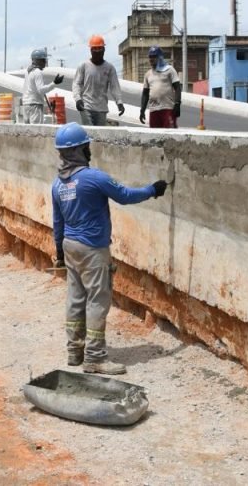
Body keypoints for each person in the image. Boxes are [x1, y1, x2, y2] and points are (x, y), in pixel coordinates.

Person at [51, 122, 168, 375]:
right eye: (86, 146)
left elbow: (57, 221)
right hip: (93, 249)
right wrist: (153, 190)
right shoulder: (94, 178)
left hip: (70, 246)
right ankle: (95, 358)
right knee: (97, 300)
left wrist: (59, 253)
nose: (89, 150)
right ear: (80, 150)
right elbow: (125, 196)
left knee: (75, 298)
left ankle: (75, 351)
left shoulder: (58, 185)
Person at [72, 34, 124, 126]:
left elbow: (114, 86)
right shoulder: (84, 66)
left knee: (99, 136)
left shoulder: (109, 68)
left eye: (99, 49)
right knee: (90, 133)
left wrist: (119, 102)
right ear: (91, 50)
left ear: (103, 50)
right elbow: (77, 83)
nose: (97, 52)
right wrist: (78, 99)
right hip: (86, 106)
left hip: (101, 108)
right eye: (94, 50)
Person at [139, 46, 182, 128]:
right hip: (154, 109)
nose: (151, 59)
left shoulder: (169, 70)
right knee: (155, 137)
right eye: (150, 57)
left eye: (154, 56)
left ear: (160, 57)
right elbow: (145, 94)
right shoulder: (148, 74)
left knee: (169, 135)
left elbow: (177, 88)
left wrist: (177, 104)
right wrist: (142, 110)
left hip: (167, 108)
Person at [21, 49, 63, 124]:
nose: (45, 62)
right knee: (35, 130)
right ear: (38, 60)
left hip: (26, 104)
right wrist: (54, 83)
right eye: (43, 60)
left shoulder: (28, 71)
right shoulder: (37, 72)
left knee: (28, 130)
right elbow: (41, 90)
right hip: (35, 105)